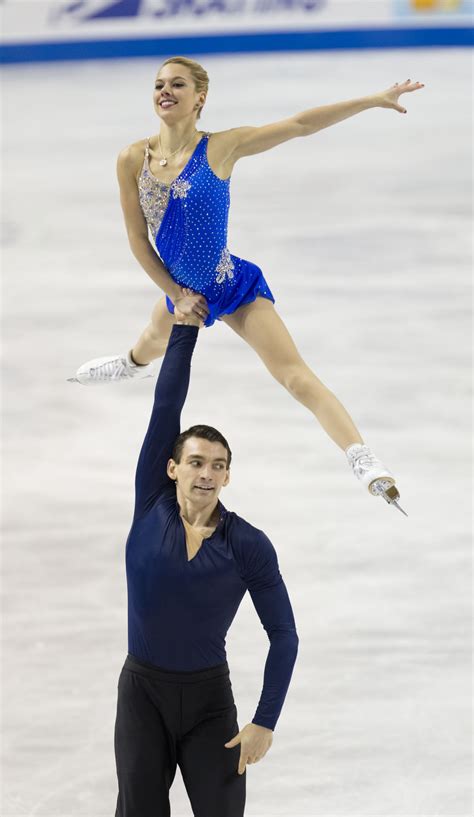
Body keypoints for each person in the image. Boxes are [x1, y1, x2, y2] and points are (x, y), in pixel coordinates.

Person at [69, 56, 423, 513]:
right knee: (146, 346)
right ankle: (131, 365)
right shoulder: (132, 159)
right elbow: (138, 239)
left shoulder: (222, 147)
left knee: (294, 374)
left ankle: (362, 458)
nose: (165, 91)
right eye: (159, 84)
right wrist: (176, 294)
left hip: (229, 284)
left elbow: (299, 124)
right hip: (179, 288)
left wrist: (373, 100)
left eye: (178, 84)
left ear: (200, 97)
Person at [113, 308, 299, 816]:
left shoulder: (248, 544)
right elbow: (166, 401)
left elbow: (284, 634)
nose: (207, 474)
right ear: (171, 468)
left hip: (209, 705)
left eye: (218, 466)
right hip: (142, 698)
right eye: (196, 462)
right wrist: (185, 328)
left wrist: (265, 720)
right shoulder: (151, 503)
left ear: (228, 477)